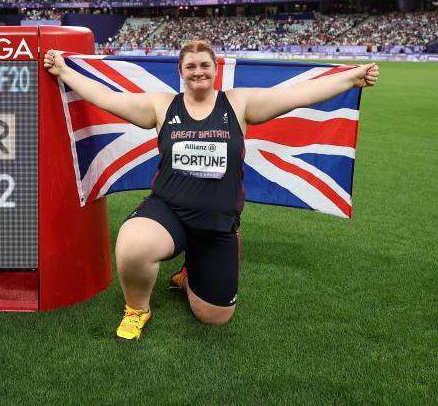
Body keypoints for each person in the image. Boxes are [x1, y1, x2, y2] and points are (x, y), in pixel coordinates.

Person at [43, 40, 378, 341]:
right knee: (132, 246)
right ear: (181, 72)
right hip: (168, 211)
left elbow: (295, 95)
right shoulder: (162, 106)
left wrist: (351, 78)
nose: (198, 71)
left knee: (214, 317)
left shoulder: (239, 104)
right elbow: (107, 98)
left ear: (215, 69)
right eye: (191, 66)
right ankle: (137, 309)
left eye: (205, 65)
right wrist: (64, 72)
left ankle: (190, 275)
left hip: (217, 222)